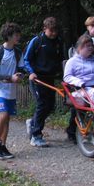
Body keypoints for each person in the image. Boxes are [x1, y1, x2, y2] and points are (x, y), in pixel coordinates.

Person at [66, 16, 94, 143]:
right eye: (92, 25)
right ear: (88, 27)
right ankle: (72, 131)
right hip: (83, 80)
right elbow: (76, 58)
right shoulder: (83, 40)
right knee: (79, 107)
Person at [0, 23, 26, 160]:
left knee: (7, 118)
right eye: (16, 35)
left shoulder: (18, 52)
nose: (18, 37)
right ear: (8, 36)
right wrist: (10, 78)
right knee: (3, 115)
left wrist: (20, 76)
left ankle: (3, 146)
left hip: (11, 90)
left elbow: (21, 70)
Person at [24, 17, 64, 147]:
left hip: (50, 78)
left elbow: (61, 60)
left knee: (50, 105)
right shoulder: (37, 41)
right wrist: (31, 72)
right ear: (44, 29)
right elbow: (26, 59)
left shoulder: (58, 42)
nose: (53, 33)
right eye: (51, 31)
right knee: (42, 104)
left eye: (55, 31)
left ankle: (32, 123)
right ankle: (36, 135)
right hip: (37, 78)